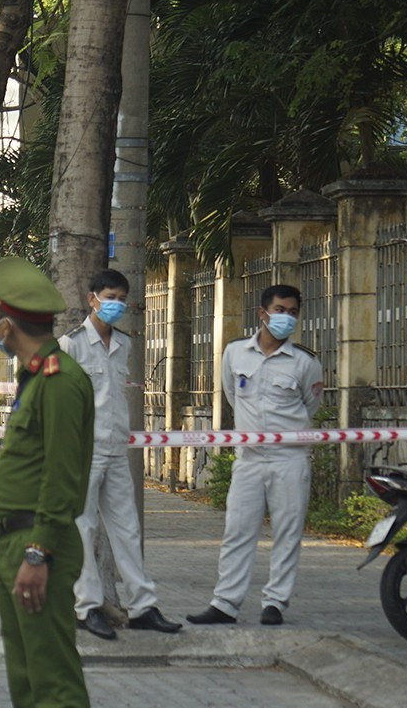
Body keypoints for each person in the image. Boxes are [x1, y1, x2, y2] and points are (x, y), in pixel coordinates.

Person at [0, 256, 95, 708]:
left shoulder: (59, 382)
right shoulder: (34, 379)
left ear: (8, 324)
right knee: (28, 684)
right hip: (15, 543)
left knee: (55, 684)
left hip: (37, 545)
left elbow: (62, 477)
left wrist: (38, 552)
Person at [188, 284, 324, 627]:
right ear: (262, 314)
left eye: (293, 312)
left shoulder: (306, 362)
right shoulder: (235, 354)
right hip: (249, 459)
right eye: (280, 310)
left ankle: (275, 603)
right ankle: (225, 604)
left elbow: (311, 407)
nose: (286, 317)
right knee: (237, 530)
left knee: (287, 531)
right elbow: (233, 395)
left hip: (289, 459)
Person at [58, 269, 182, 640]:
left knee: (127, 528)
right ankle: (87, 607)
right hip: (84, 451)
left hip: (115, 449)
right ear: (92, 297)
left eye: (121, 299)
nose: (116, 304)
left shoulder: (124, 344)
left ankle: (144, 606)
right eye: (110, 296)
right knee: (84, 529)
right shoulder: (71, 345)